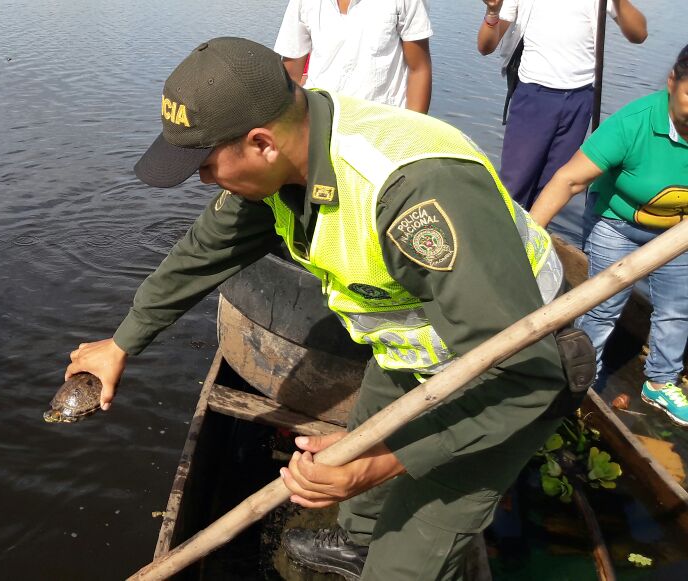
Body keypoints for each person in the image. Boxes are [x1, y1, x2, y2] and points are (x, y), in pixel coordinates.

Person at [66, 37, 576, 579]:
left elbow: (526, 377)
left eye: (207, 165)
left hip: (513, 366)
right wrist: (121, 343)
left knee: (406, 546)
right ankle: (356, 545)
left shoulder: (413, 194)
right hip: (412, 342)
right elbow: (203, 252)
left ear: (261, 143)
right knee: (357, 480)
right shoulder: (288, 158)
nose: (204, 180)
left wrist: (387, 461)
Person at [530, 44, 688, 426]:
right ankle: (581, 379)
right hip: (616, 224)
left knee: (678, 308)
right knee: (602, 307)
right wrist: (528, 239)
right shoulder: (633, 123)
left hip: (678, 231)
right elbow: (568, 180)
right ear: (672, 81)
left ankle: (661, 382)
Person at [476, 0, 648, 209]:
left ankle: (535, 231)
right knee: (514, 188)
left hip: (581, 100)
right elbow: (486, 46)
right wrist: (492, 12)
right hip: (534, 96)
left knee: (552, 191)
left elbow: (639, 34)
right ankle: (504, 228)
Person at [274, 0, 433, 113]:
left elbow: (419, 69)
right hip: (320, 122)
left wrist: (412, 135)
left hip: (382, 128)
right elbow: (291, 75)